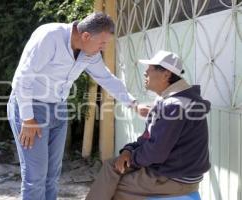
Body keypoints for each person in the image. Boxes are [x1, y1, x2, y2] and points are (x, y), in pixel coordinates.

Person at [7, 12, 145, 200]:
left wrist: (134, 104)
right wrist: (28, 119)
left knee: (52, 176)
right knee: (35, 177)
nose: (103, 48)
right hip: (31, 108)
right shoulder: (49, 36)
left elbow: (106, 78)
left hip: (59, 109)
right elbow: (23, 78)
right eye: (102, 43)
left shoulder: (89, 51)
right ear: (86, 36)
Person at [85, 50, 211, 200]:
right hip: (170, 168)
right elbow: (148, 138)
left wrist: (131, 158)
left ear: (166, 74)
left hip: (175, 177)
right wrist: (128, 150)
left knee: (111, 187)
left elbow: (156, 152)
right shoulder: (169, 99)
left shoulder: (175, 105)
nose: (145, 73)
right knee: (110, 167)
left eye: (150, 69)